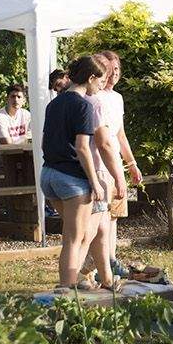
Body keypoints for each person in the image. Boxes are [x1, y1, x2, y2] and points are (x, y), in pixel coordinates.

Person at [39, 55, 123, 293]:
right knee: (73, 239)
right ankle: (66, 287)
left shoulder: (54, 103)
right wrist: (95, 182)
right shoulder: (84, 105)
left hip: (48, 175)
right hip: (72, 179)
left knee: (88, 230)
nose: (101, 86)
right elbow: (83, 147)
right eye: (100, 81)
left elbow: (45, 141)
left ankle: (102, 279)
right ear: (90, 78)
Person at [82, 50, 142, 282]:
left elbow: (119, 134)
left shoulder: (117, 98)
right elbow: (101, 139)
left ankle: (110, 260)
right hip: (100, 164)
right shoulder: (93, 98)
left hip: (115, 164)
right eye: (109, 70)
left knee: (114, 216)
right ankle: (94, 266)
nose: (113, 75)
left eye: (117, 70)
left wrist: (131, 163)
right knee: (99, 217)